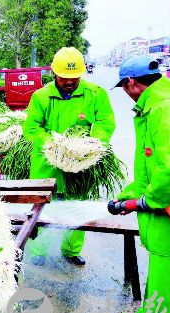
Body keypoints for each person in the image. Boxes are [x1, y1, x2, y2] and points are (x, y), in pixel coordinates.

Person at [111, 55, 170, 313]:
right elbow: (153, 164)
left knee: (169, 287)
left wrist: (147, 201)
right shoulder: (163, 100)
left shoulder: (165, 108)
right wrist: (128, 194)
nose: (124, 91)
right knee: (159, 276)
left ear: (131, 83)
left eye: (123, 86)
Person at [23, 47, 116, 266]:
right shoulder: (41, 96)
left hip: (81, 162)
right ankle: (38, 251)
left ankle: (71, 251)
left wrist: (91, 144)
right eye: (65, 77)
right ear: (55, 73)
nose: (69, 82)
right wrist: (53, 144)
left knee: (77, 203)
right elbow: (31, 127)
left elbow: (105, 122)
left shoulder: (95, 94)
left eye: (74, 78)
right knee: (43, 206)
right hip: (47, 163)